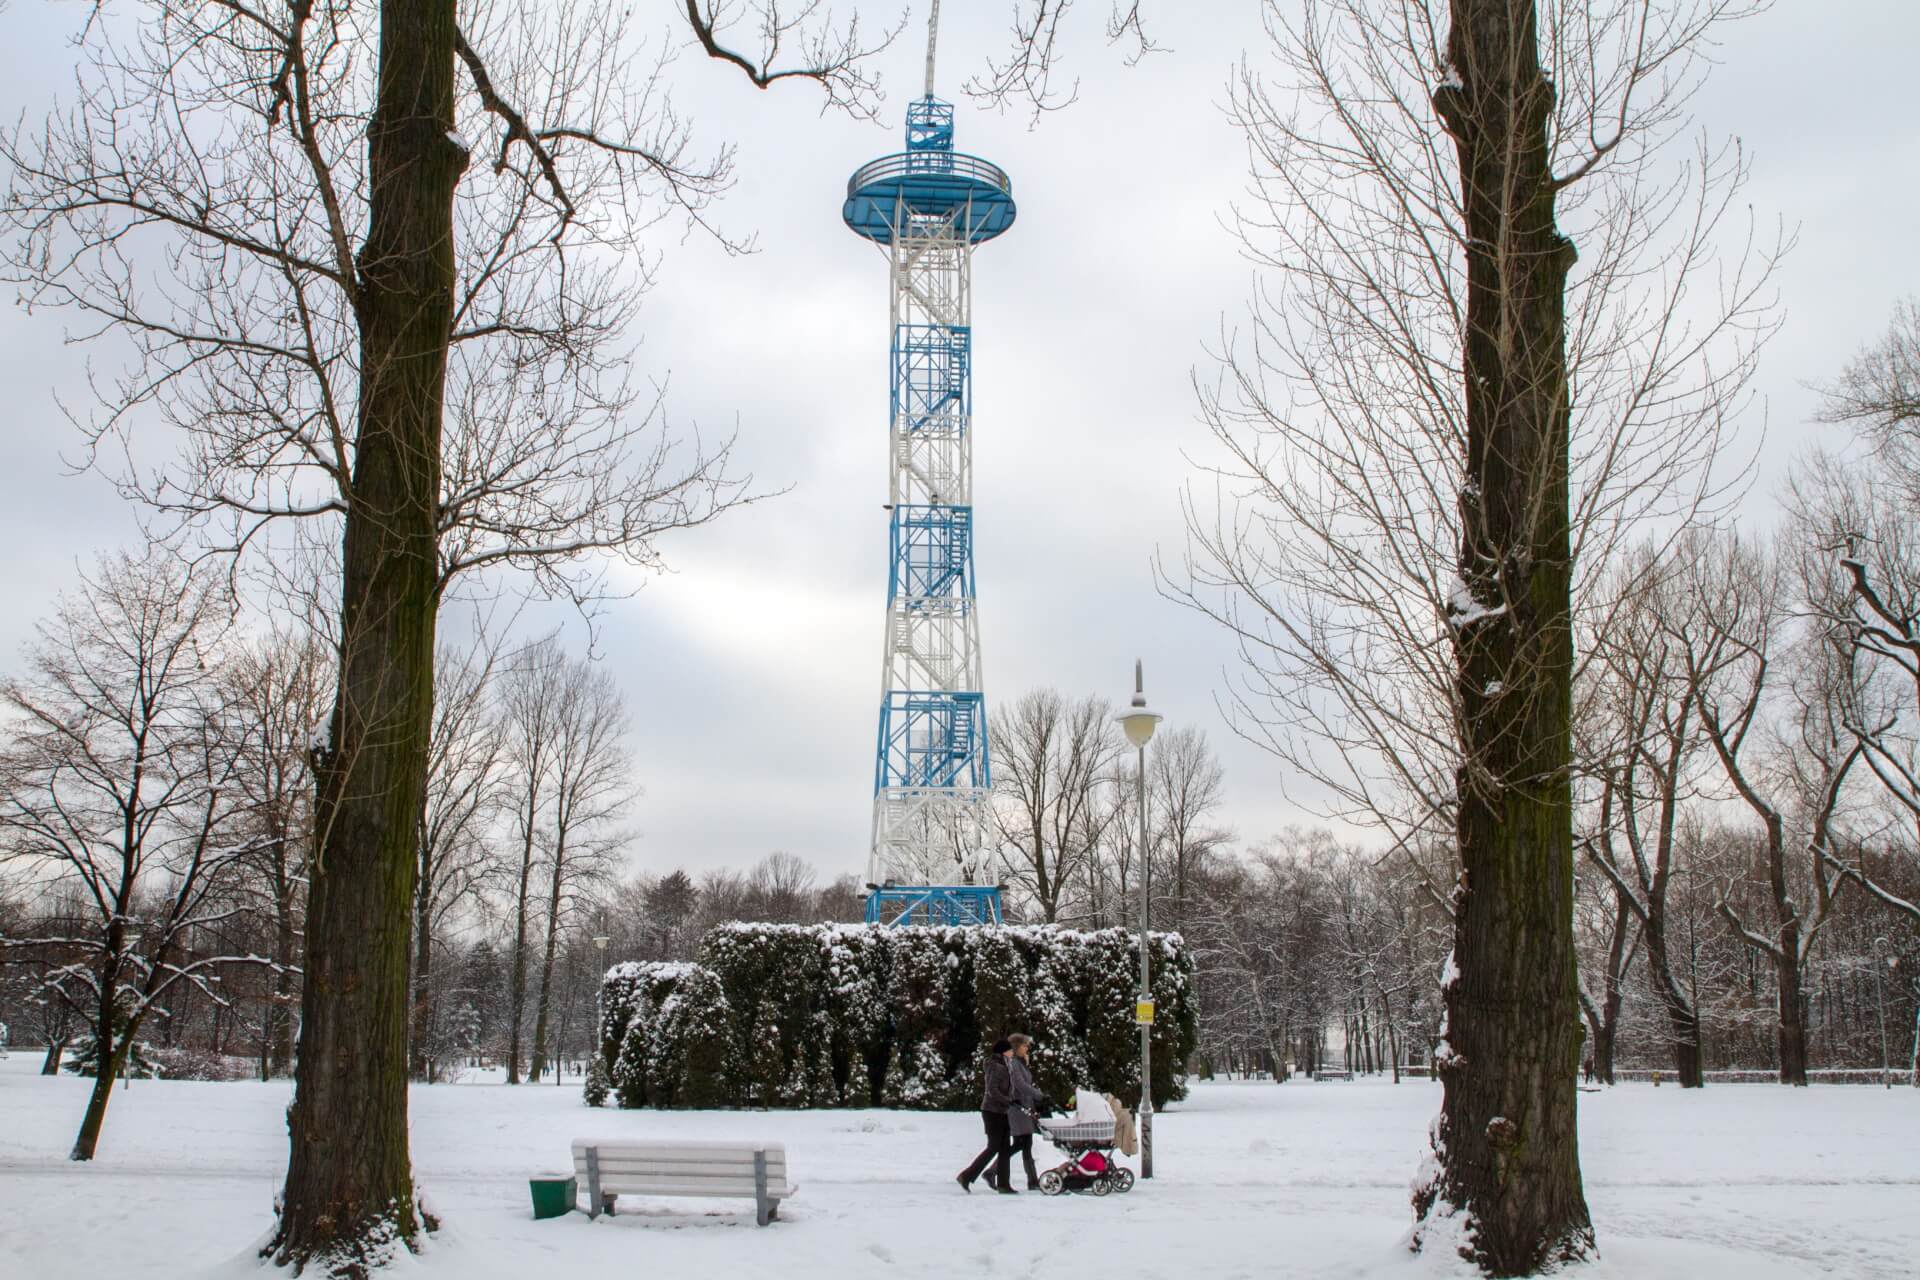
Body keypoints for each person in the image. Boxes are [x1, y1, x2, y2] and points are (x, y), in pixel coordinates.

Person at [956, 1039, 1017, 1194]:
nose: (1012, 1052)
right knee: (994, 1146)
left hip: (1002, 1111)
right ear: (1003, 1051)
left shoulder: (1006, 1065)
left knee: (1004, 1148)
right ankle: (966, 1175)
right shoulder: (996, 1066)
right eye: (1010, 1050)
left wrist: (1011, 1100)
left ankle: (1004, 1184)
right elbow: (992, 1090)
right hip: (992, 1111)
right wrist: (1008, 1100)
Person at [1003, 1033, 1045, 1190]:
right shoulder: (1013, 1063)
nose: (1027, 1048)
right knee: (1021, 1143)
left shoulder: (1019, 1062)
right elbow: (1020, 1085)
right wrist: (1039, 1095)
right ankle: (993, 1171)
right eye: (1024, 1045)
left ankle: (1033, 1180)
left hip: (1024, 1107)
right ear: (1016, 1047)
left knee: (1026, 1143)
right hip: (1017, 1107)